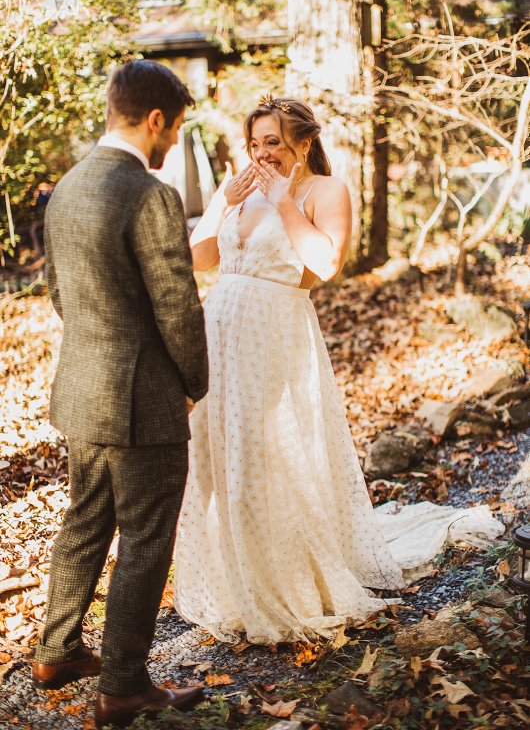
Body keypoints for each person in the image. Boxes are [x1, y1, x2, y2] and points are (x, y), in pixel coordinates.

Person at [173, 94, 503, 645]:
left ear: (303, 142)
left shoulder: (327, 191)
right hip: (219, 336)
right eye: (254, 144)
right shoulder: (240, 193)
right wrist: (218, 204)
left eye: (273, 143)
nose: (262, 154)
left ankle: (291, 577)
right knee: (220, 452)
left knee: (267, 452)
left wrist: (284, 203)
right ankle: (236, 580)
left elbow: (324, 264)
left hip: (273, 335)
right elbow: (199, 260)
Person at [33, 60, 209, 729]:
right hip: (144, 398)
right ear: (156, 119)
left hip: (81, 387)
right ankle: (124, 684)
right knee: (143, 535)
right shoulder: (150, 192)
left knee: (84, 521)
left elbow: (59, 297)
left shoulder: (70, 187)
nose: (171, 144)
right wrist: (194, 381)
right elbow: (177, 306)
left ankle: (55, 652)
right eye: (175, 129)